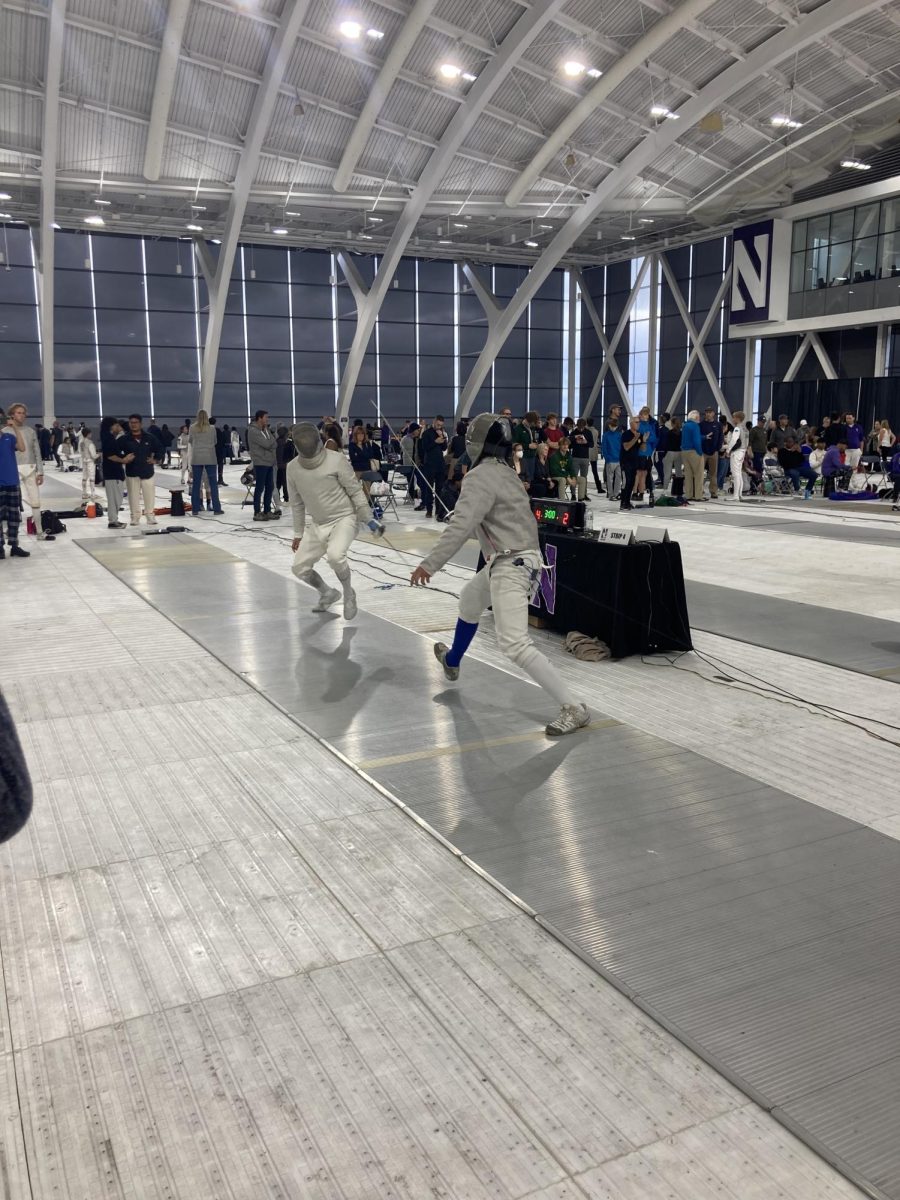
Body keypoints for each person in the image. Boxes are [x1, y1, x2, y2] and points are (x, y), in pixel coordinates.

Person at [411, 413, 589, 739]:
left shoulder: (480, 476)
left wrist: (429, 564)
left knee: (515, 644)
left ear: (475, 443)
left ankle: (573, 707)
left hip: (512, 564)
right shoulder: (507, 472)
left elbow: (460, 527)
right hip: (513, 559)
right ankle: (452, 660)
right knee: (469, 599)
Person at [288, 423, 383, 620]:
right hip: (318, 524)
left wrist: (368, 518)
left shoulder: (336, 460)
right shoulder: (292, 468)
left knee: (335, 556)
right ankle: (327, 592)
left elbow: (355, 491)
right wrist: (298, 534)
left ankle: (349, 593)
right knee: (299, 568)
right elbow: (296, 504)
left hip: (344, 518)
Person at [7, 404, 45, 538]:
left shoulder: (30, 431)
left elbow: (37, 452)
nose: (21, 415)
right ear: (12, 414)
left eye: (23, 413)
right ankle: (10, 533)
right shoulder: (5, 431)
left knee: (35, 501)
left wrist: (40, 472)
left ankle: (39, 531)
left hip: (30, 469)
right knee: (10, 503)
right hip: (12, 471)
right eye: (18, 413)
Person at [0, 414, 28, 558]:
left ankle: (14, 545)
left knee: (14, 516)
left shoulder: (9, 438)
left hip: (12, 481)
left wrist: (15, 427)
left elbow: (22, 448)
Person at [122, 414, 158, 526]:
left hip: (147, 471)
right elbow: (115, 450)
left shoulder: (149, 437)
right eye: (131, 422)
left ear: (140, 424)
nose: (133, 424)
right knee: (133, 496)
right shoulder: (124, 439)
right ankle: (134, 517)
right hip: (132, 472)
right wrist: (123, 459)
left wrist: (155, 459)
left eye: (135, 422)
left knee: (149, 495)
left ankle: (150, 516)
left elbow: (160, 448)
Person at [188, 410, 224, 516]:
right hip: (210, 457)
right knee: (213, 484)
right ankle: (217, 508)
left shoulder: (192, 427)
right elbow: (215, 441)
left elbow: (190, 440)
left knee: (196, 484)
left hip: (196, 458)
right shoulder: (212, 428)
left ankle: (195, 509)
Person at [247, 409, 280, 522]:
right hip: (260, 462)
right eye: (266, 417)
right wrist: (270, 443)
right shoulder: (253, 431)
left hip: (269, 462)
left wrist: (270, 443)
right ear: (259, 418)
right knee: (260, 488)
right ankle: (257, 512)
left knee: (270, 487)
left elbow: (274, 443)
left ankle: (267, 511)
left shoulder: (265, 430)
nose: (267, 419)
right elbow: (267, 444)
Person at [100, 416, 128, 529]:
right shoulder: (109, 439)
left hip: (114, 472)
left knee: (117, 497)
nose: (118, 427)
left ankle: (114, 519)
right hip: (112, 473)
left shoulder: (110, 438)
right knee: (114, 498)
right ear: (111, 426)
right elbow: (110, 456)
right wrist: (124, 460)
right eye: (116, 425)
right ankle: (113, 521)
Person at [418, 415, 448, 519]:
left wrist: (443, 438)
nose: (439, 427)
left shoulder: (441, 433)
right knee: (429, 488)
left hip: (440, 464)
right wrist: (435, 442)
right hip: (429, 464)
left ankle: (438, 510)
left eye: (441, 425)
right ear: (434, 422)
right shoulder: (426, 433)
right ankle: (429, 510)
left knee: (440, 488)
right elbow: (425, 447)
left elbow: (444, 448)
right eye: (438, 424)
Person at [619, 417, 642, 511]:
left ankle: (627, 501)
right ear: (631, 423)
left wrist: (644, 440)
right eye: (636, 422)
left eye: (639, 422)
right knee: (626, 482)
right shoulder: (626, 434)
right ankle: (623, 503)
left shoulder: (639, 434)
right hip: (626, 462)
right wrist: (635, 438)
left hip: (634, 462)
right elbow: (627, 447)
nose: (638, 424)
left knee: (632, 482)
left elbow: (641, 448)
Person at [681, 409, 704, 501]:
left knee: (688, 475)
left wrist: (704, 437)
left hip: (684, 452)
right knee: (699, 475)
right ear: (695, 417)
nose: (699, 418)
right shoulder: (695, 426)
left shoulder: (685, 425)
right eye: (698, 416)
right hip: (694, 452)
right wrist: (700, 452)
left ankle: (688, 495)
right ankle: (698, 496)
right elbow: (696, 441)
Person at [726, 410, 748, 500]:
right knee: (739, 473)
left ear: (738, 418)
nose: (733, 419)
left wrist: (728, 450)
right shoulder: (745, 429)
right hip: (743, 451)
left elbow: (734, 440)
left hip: (737, 452)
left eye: (734, 417)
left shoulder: (737, 428)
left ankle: (735, 496)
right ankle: (739, 495)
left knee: (736, 474)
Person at [635, 407, 657, 499]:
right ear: (640, 415)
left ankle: (641, 492)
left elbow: (654, 438)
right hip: (640, 453)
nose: (646, 416)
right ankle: (635, 492)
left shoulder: (649, 426)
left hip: (647, 453)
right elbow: (636, 437)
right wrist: (643, 439)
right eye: (644, 414)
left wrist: (647, 439)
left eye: (647, 414)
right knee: (638, 473)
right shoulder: (638, 425)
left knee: (645, 473)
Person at [699, 407, 721, 499]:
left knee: (713, 473)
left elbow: (721, 437)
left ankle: (713, 491)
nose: (708, 414)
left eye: (710, 412)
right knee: (700, 472)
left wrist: (717, 448)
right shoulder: (701, 425)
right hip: (703, 452)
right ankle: (699, 491)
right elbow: (698, 437)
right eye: (706, 412)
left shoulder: (718, 424)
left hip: (714, 452)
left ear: (713, 414)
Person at [600, 418, 622, 501]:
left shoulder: (619, 435)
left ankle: (616, 493)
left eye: (615, 426)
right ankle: (611, 494)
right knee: (609, 478)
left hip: (618, 459)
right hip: (610, 459)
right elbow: (604, 447)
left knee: (618, 478)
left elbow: (621, 447)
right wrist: (607, 458)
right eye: (612, 426)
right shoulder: (605, 435)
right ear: (609, 425)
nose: (614, 427)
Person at [570, 419, 592, 500]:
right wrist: (576, 440)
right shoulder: (573, 433)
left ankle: (584, 494)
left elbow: (592, 444)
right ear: (577, 426)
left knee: (584, 477)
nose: (581, 430)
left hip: (585, 458)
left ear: (585, 426)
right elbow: (569, 444)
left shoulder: (588, 432)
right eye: (579, 428)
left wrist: (585, 442)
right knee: (574, 476)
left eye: (582, 428)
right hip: (575, 457)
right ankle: (573, 494)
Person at [549, 436, 576, 501]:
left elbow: (571, 468)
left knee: (582, 480)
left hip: (565, 476)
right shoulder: (554, 456)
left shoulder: (569, 455)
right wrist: (567, 477)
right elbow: (555, 471)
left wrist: (574, 477)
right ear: (559, 445)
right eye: (563, 445)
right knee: (563, 480)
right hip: (555, 476)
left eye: (567, 445)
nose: (565, 446)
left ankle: (581, 501)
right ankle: (562, 501)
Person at [662, 416, 683, 494]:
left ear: (672, 423)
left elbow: (665, 444)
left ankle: (665, 489)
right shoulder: (681, 433)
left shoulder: (669, 433)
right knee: (679, 472)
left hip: (670, 452)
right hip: (679, 453)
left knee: (667, 473)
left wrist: (664, 455)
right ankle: (679, 489)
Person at [400, 422, 420, 502]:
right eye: (417, 430)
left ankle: (413, 494)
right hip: (409, 463)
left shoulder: (408, 438)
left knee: (413, 479)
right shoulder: (409, 439)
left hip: (413, 462)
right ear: (413, 430)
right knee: (411, 480)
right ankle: (412, 495)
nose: (418, 431)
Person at [80, 427, 98, 505]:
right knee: (92, 478)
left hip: (84, 461)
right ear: (88, 434)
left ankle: (84, 493)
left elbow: (81, 452)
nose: (91, 434)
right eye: (90, 433)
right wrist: (99, 455)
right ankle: (93, 494)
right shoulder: (90, 443)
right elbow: (93, 455)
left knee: (84, 477)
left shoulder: (81, 442)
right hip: (90, 461)